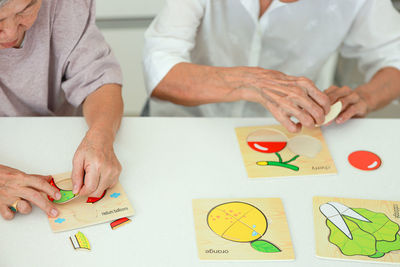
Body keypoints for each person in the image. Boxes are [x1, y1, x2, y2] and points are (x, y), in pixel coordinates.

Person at [143, 0, 400, 132]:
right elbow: (161, 70)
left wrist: (365, 97)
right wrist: (250, 82)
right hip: (184, 124)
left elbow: (395, 56)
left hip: (285, 131)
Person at [0, 0, 123, 220]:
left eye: (25, 10)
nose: (10, 32)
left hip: (62, 139)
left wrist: (101, 134)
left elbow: (99, 80)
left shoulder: (65, 5)